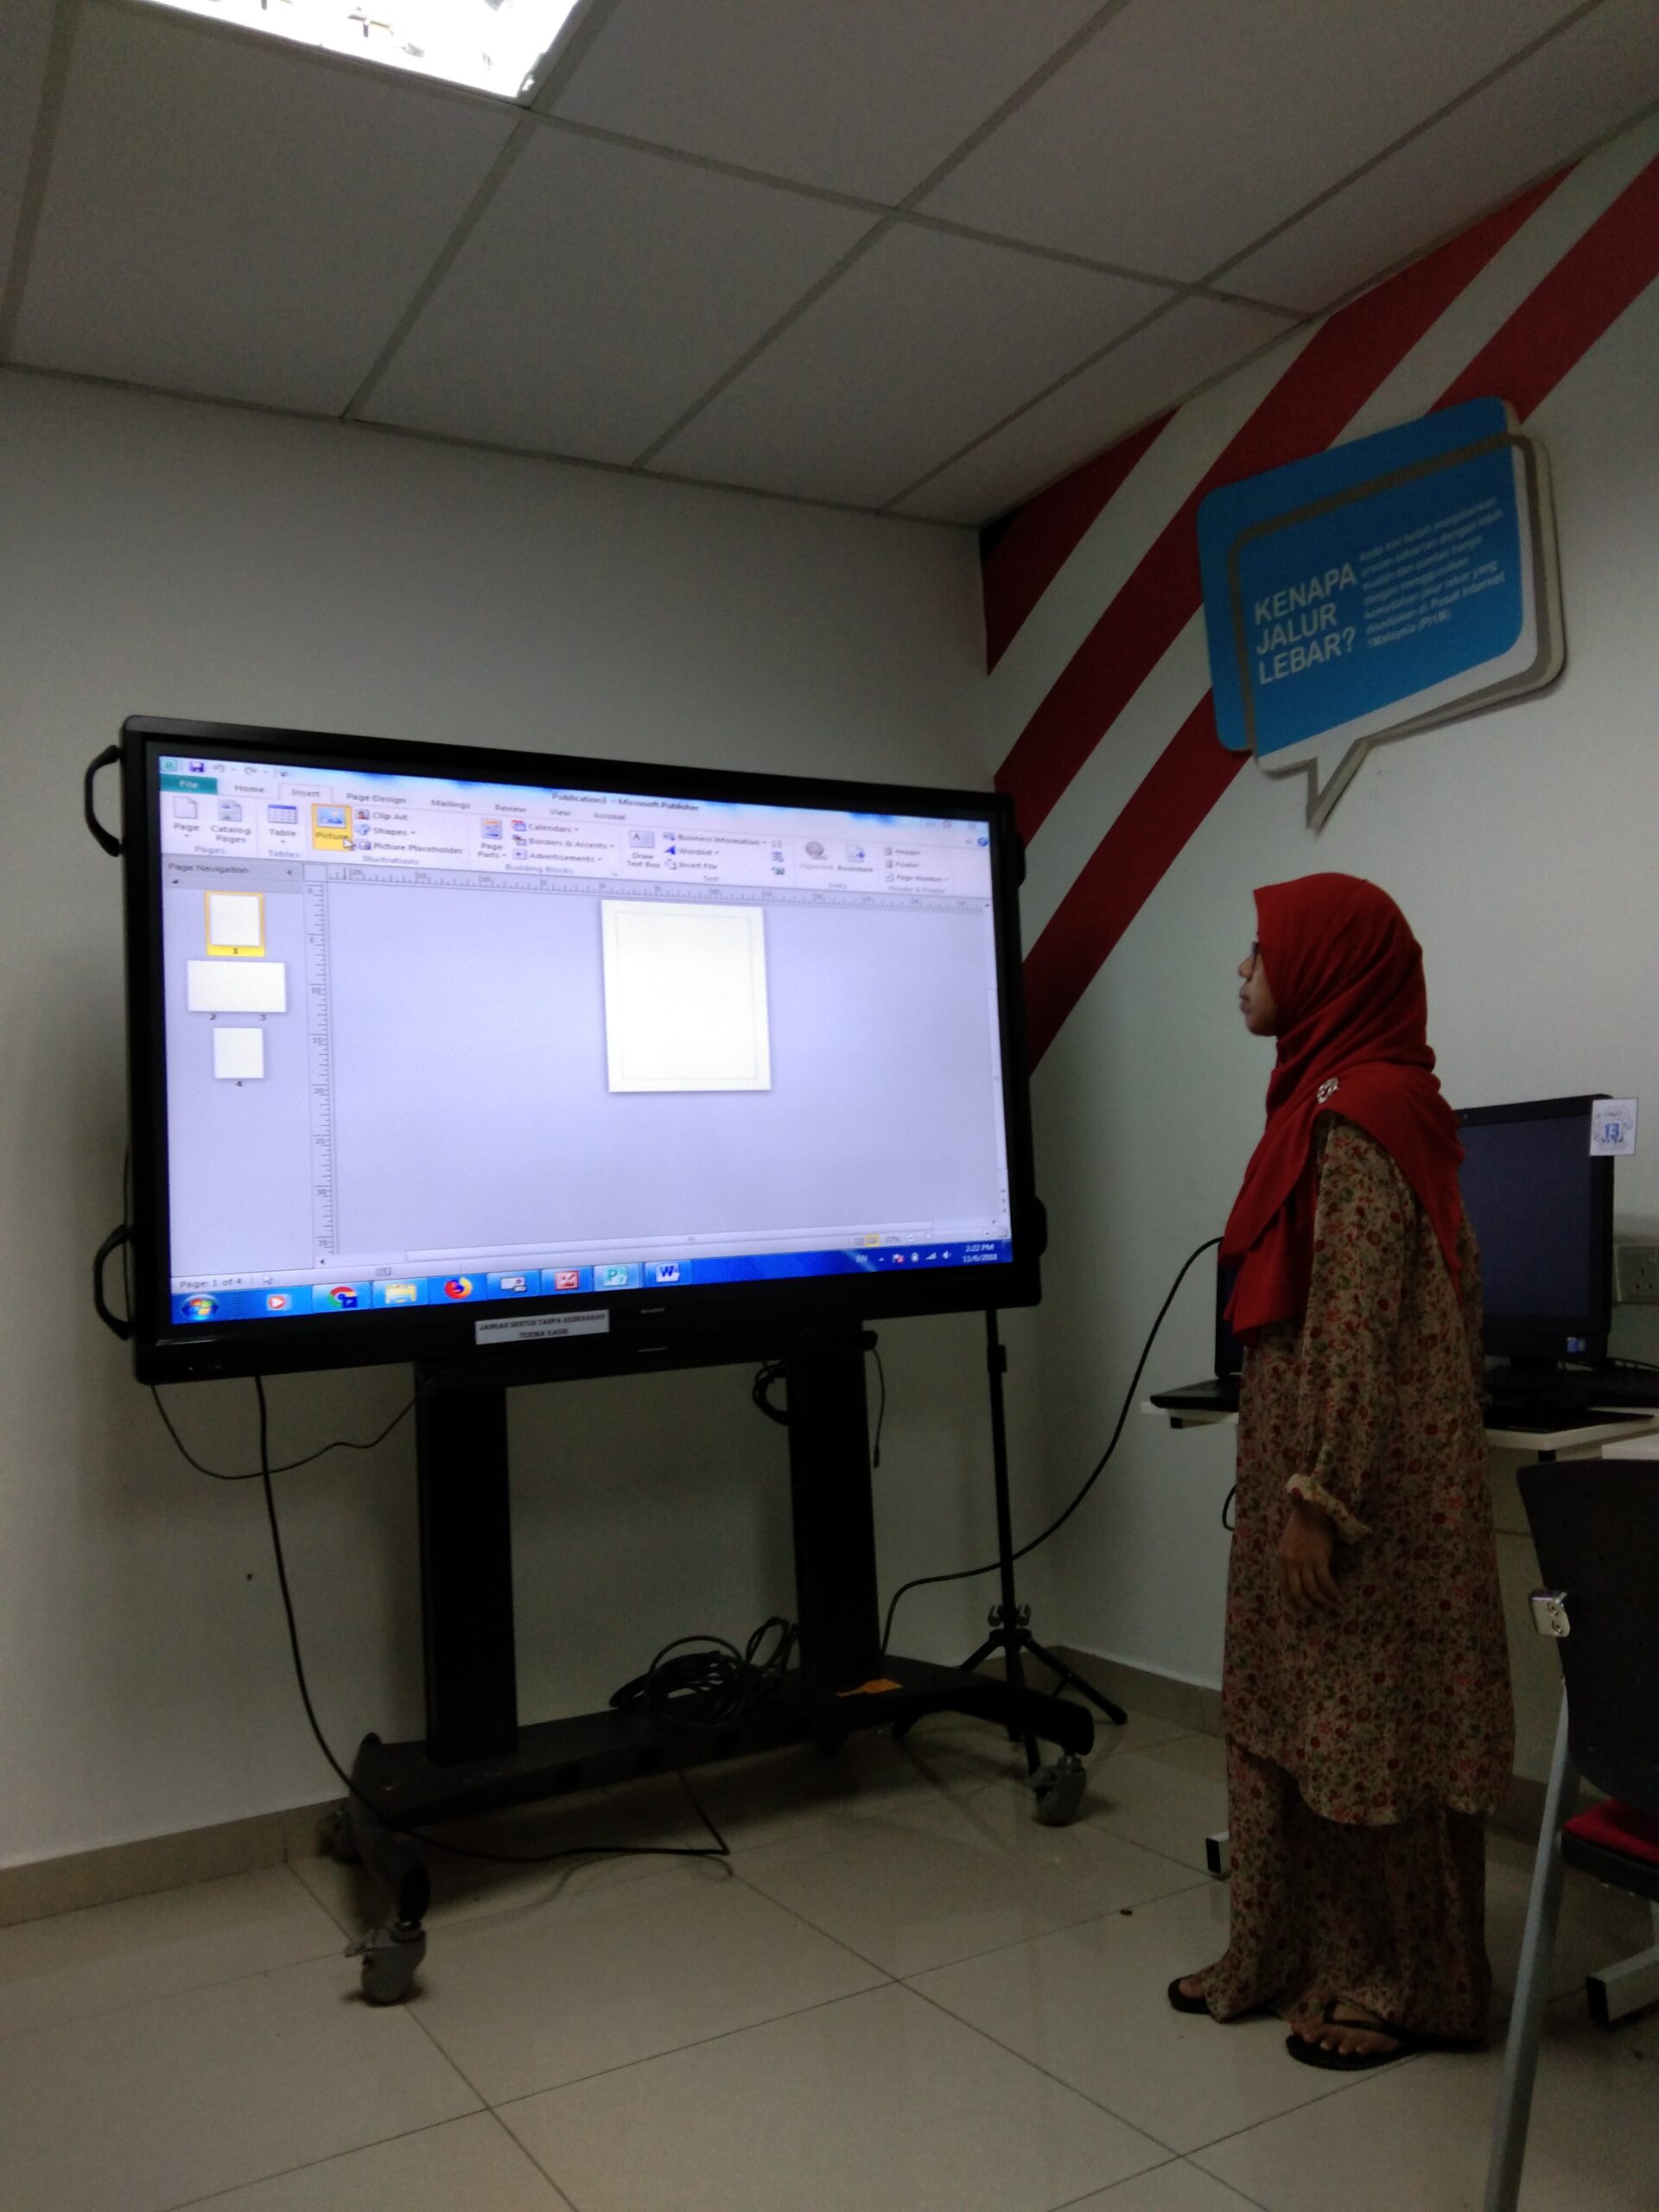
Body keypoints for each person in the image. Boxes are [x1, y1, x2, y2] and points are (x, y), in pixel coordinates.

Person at [1170, 872, 1512, 2070]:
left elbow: (1357, 1325)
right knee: (1289, 1709)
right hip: (1313, 1472)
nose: (1243, 970)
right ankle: (1286, 1952)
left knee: (1374, 1733)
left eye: (1262, 950)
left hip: (1359, 1492)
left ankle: (1409, 1986)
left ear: (1328, 969)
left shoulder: (1362, 1114)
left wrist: (1321, 1498)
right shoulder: (1322, 1102)